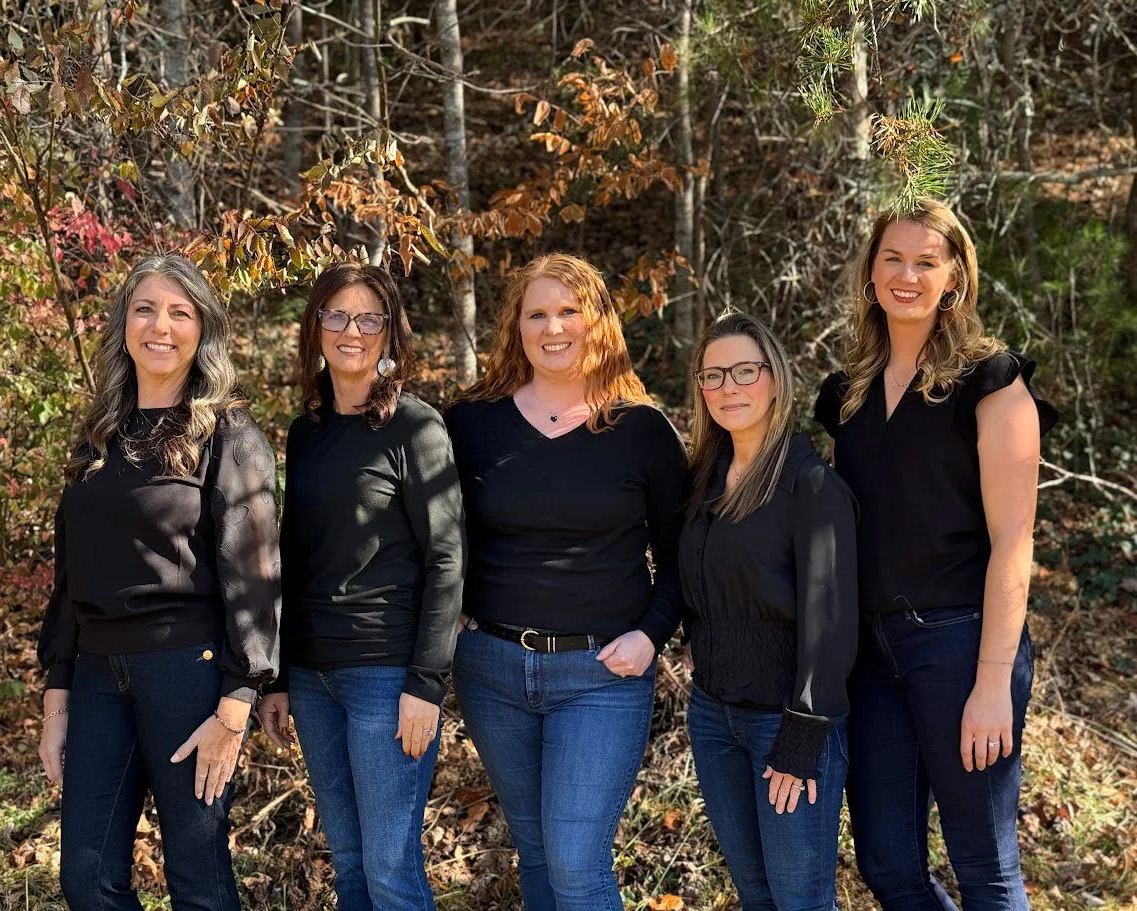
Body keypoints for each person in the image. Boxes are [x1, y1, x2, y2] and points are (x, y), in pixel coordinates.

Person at [814, 199, 1057, 911]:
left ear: (954, 278)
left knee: (984, 867)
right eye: (892, 257)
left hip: (958, 644)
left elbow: (1015, 542)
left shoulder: (991, 382)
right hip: (870, 656)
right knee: (886, 865)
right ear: (868, 271)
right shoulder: (846, 394)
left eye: (926, 261)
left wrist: (989, 683)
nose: (906, 274)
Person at [444, 253, 690, 911]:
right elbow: (437, 535)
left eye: (567, 311)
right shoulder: (470, 422)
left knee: (578, 864)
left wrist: (651, 634)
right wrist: (454, 608)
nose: (553, 328)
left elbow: (682, 556)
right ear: (515, 327)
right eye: (536, 314)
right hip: (491, 669)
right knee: (536, 852)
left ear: (597, 322)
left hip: (600, 675)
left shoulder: (640, 429)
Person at [37, 253, 281, 911]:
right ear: (124, 323)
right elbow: (70, 577)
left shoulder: (227, 433)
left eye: (180, 312)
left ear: (203, 329)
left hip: (188, 674)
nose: (161, 326)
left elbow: (254, 571)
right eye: (145, 308)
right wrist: (56, 697)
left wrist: (237, 700)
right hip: (94, 677)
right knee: (86, 881)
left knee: (197, 881)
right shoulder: (100, 435)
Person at [257, 262, 464, 911]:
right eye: (337, 314)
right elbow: (292, 555)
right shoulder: (306, 430)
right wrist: (280, 676)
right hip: (315, 680)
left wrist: (425, 684)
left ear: (390, 331)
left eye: (368, 317)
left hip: (385, 677)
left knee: (390, 869)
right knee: (348, 864)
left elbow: (447, 558)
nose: (352, 330)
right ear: (315, 325)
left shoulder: (415, 426)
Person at [681, 311, 857, 911]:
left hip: (786, 722)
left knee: (799, 898)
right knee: (755, 894)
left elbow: (829, 622)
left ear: (776, 380)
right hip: (712, 716)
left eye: (744, 371)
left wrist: (802, 737)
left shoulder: (810, 485)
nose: (728, 387)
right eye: (713, 376)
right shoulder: (704, 481)